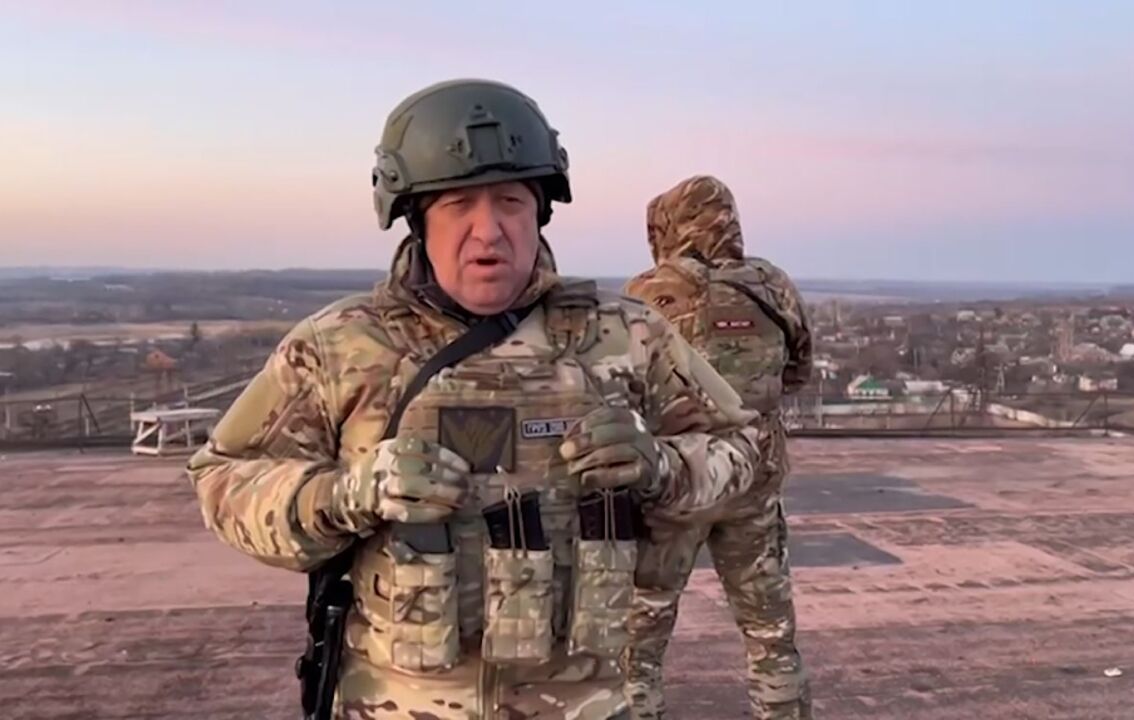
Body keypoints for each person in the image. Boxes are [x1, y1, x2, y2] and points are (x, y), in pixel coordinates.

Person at [185, 80, 763, 720]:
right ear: (416, 217)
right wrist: (346, 495)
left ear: (539, 213)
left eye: (511, 202)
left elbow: (744, 451)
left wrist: (661, 466)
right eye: (459, 204)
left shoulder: (626, 336)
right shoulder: (341, 346)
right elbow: (223, 481)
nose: (488, 232)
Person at [620, 175, 815, 719]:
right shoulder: (772, 286)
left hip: (674, 487)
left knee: (637, 650)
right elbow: (796, 372)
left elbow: (619, 386)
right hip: (754, 480)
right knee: (771, 636)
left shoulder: (645, 293)